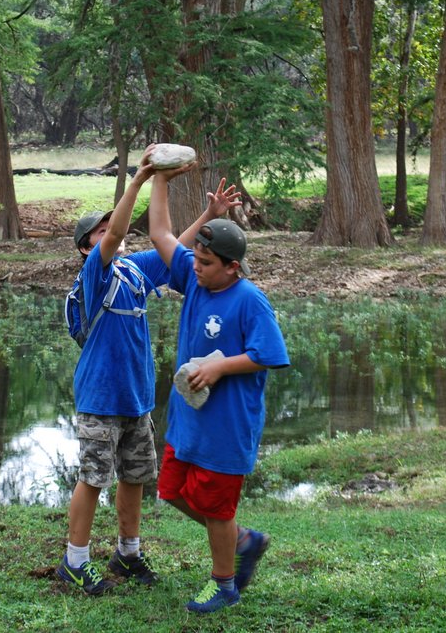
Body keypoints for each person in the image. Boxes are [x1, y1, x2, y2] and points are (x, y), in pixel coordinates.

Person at [56, 145, 241, 596]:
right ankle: (74, 560)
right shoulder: (95, 273)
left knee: (134, 476)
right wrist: (138, 181)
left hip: (135, 396)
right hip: (100, 396)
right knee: (93, 477)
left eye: (108, 228)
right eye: (99, 233)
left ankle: (128, 552)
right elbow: (118, 233)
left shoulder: (133, 271)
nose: (108, 235)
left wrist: (209, 215)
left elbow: (172, 251)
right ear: (87, 248)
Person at [147, 168, 290, 614]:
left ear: (232, 266)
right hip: (189, 421)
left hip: (227, 427)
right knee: (170, 491)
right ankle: (243, 541)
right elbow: (158, 232)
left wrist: (220, 366)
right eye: (194, 258)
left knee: (216, 507)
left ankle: (224, 583)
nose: (195, 267)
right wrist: (158, 178)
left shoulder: (249, 299)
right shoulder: (193, 279)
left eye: (205, 263)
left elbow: (269, 353)